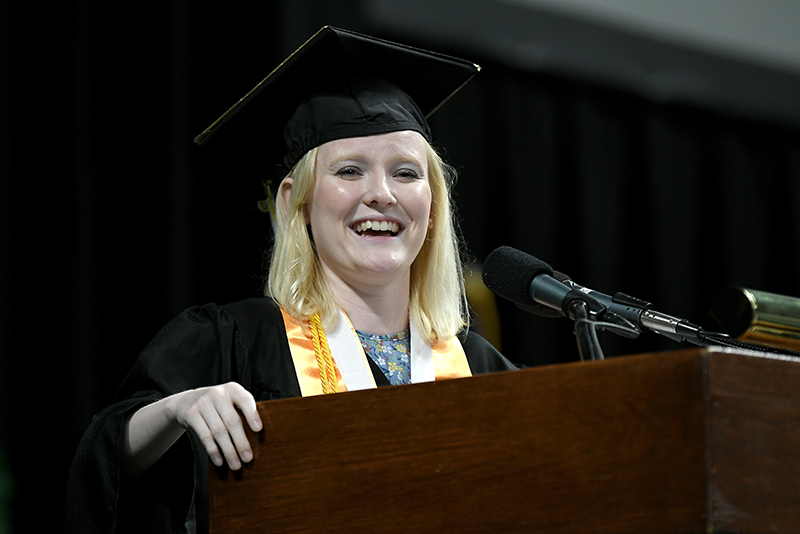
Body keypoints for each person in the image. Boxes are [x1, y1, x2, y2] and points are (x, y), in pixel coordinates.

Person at [65, 26, 516, 534]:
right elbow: (105, 465)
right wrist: (177, 410)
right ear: (293, 201)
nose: (382, 194)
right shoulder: (232, 340)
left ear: (432, 208)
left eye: (407, 173)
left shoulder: (485, 371)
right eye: (349, 171)